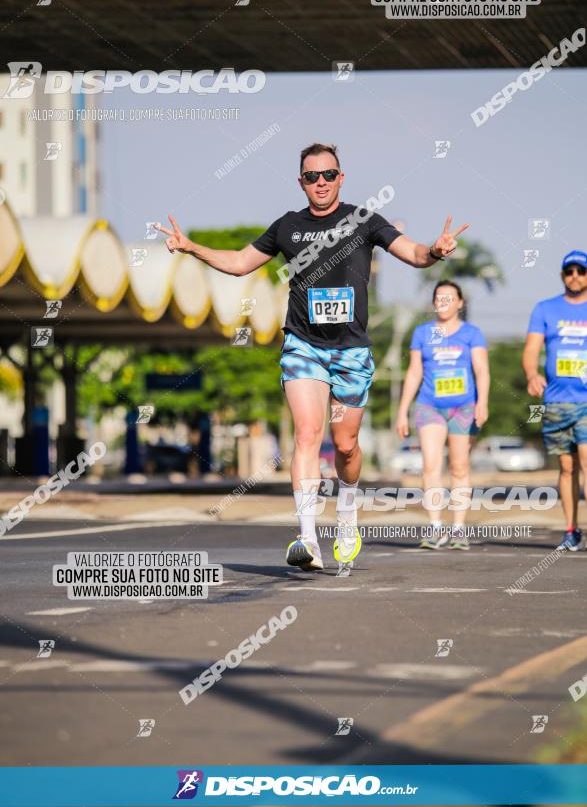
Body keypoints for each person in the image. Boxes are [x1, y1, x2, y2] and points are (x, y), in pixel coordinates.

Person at [156, 143, 469, 572]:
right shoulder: (287, 226)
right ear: (300, 181)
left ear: (342, 177)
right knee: (306, 434)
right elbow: (241, 262)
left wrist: (435, 250)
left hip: (351, 350)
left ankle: (346, 514)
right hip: (303, 345)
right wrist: (193, 247)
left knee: (345, 444)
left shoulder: (364, 221)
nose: (320, 183)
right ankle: (307, 537)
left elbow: (413, 254)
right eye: (311, 176)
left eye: (328, 175)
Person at [396, 281, 489, 549]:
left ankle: (459, 529)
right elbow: (414, 372)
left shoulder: (472, 333)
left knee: (459, 467)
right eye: (439, 297)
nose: (444, 302)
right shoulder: (422, 333)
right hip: (429, 406)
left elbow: (481, 370)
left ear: (460, 303)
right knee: (430, 465)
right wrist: (403, 410)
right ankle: (436, 528)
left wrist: (482, 402)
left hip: (463, 408)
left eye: (449, 298)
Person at [523, 250, 587, 550]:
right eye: (570, 271)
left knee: (586, 461)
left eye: (581, 271)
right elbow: (532, 349)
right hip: (557, 402)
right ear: (563, 275)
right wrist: (532, 374)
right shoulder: (545, 309)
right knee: (566, 466)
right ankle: (572, 530)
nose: (575, 275)